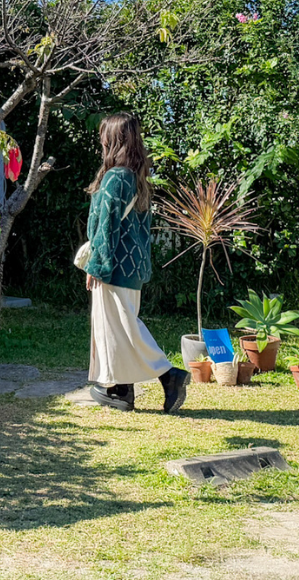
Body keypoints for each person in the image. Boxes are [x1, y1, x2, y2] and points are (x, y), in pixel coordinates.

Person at [83, 113, 190, 413]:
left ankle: (169, 376)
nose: (100, 139)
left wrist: (97, 266)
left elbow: (107, 226)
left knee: (124, 329)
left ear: (114, 139)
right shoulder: (135, 177)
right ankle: (120, 391)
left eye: (104, 134)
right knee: (119, 330)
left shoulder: (117, 178)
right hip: (132, 268)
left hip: (115, 267)